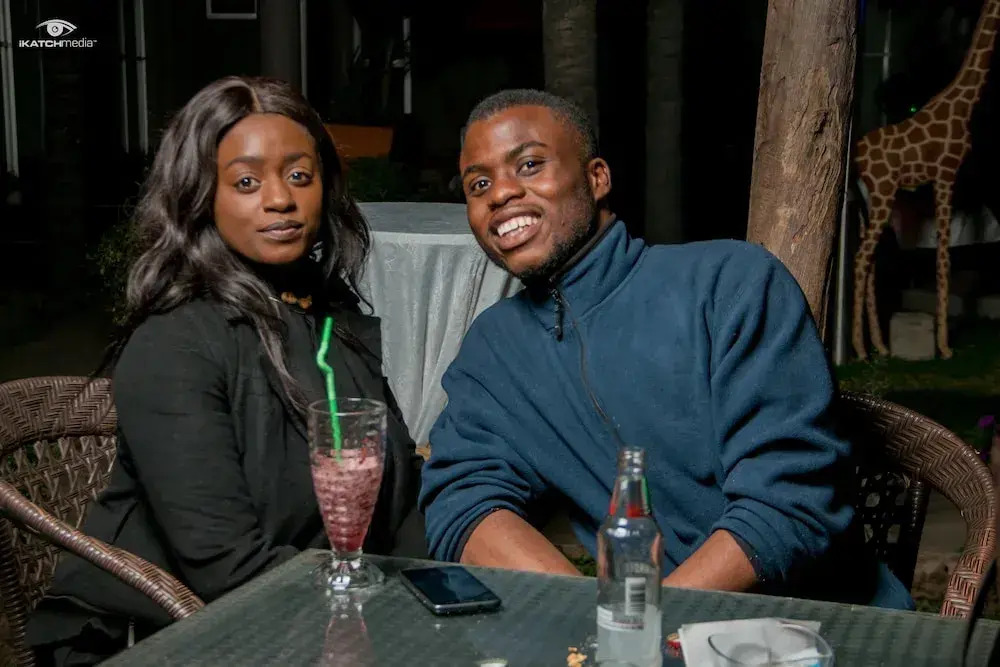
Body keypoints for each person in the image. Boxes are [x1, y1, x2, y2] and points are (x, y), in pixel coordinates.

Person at [418, 88, 913, 609]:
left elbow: (790, 502)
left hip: (820, 625)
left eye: (529, 164)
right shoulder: (494, 350)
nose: (500, 193)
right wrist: (584, 615)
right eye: (479, 184)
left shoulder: (732, 283)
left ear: (597, 177)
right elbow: (461, 497)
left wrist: (641, 622)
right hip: (648, 629)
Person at [26, 76, 426, 665]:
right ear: (199, 196)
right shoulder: (174, 345)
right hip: (159, 637)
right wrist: (394, 622)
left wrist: (434, 595)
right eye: (245, 182)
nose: (280, 199)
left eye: (300, 175)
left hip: (319, 614)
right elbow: (229, 568)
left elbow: (401, 494)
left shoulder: (329, 321)